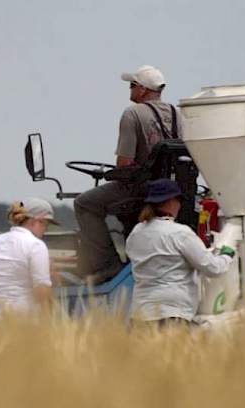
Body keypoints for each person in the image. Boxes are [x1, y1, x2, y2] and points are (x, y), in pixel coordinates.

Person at [74, 65, 182, 283]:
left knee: (85, 204)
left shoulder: (132, 113)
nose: (130, 90)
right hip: (172, 187)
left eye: (132, 85)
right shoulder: (177, 113)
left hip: (139, 188)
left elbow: (124, 163)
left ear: (142, 90)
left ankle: (107, 265)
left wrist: (114, 172)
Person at [125, 180, 235, 324]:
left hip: (140, 314)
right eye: (179, 201)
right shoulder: (179, 233)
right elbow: (213, 268)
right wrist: (227, 255)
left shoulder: (136, 232)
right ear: (171, 202)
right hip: (171, 314)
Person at [0, 198, 57, 320]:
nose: (45, 230)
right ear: (37, 221)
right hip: (24, 320)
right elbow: (42, 289)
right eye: (46, 224)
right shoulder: (36, 246)